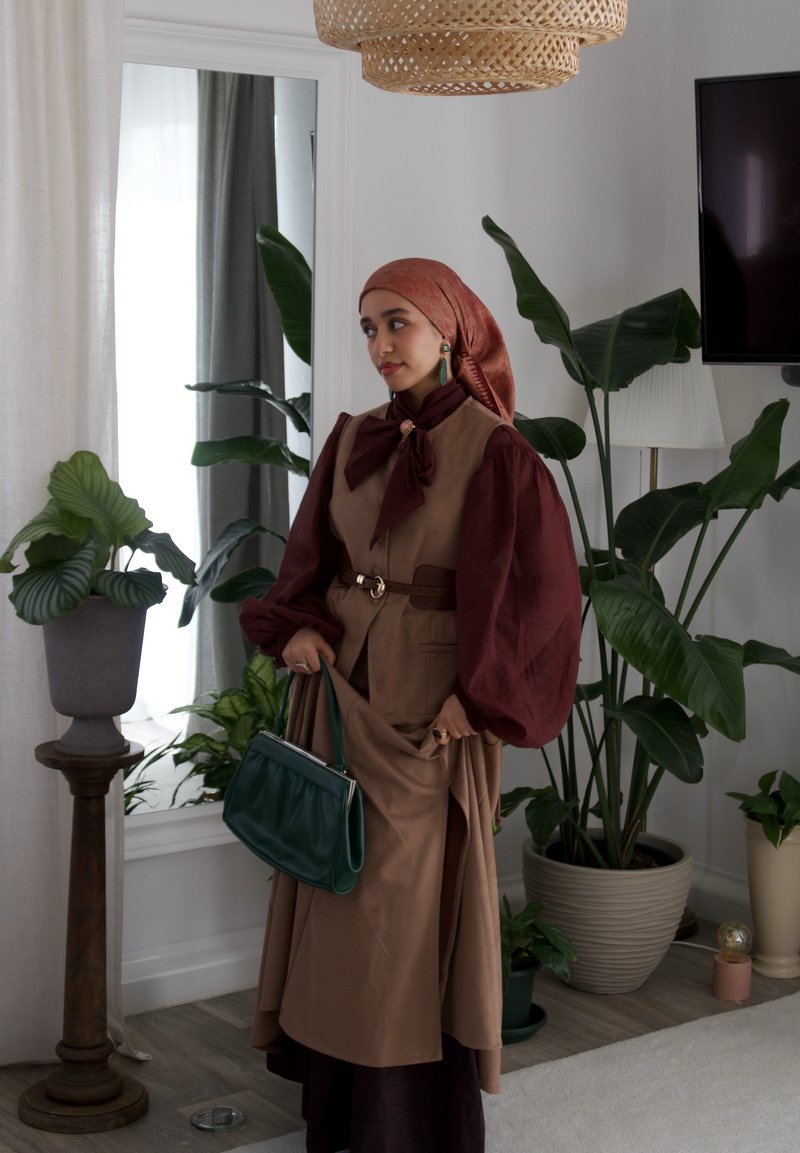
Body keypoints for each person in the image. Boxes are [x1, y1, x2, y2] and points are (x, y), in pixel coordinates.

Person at [240, 257, 581, 1153]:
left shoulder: (497, 451)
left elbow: (542, 599)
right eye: (368, 327)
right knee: (334, 889)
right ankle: (342, 1115)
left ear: (448, 330)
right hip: (340, 690)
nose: (381, 344)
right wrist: (299, 629)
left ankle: (408, 1127)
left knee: (403, 909)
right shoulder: (350, 437)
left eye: (398, 323)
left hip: (432, 706)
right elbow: (307, 558)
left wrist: (480, 699)